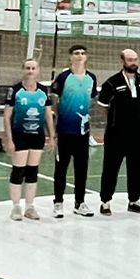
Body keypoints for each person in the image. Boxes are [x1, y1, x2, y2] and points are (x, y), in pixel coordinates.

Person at [97, 49, 140, 215]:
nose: (133, 62)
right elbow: (102, 106)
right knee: (111, 168)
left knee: (136, 168)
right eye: (130, 60)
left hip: (138, 133)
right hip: (116, 133)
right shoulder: (111, 83)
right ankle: (105, 202)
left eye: (135, 59)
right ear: (123, 61)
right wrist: (114, 121)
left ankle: (134, 201)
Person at [51, 45, 97, 218]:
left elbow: (90, 101)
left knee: (82, 168)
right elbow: (54, 101)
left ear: (86, 57)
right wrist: (54, 126)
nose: (79, 56)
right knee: (61, 168)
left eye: (83, 53)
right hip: (64, 130)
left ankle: (80, 203)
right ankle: (58, 203)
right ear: (70, 57)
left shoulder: (91, 78)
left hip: (82, 132)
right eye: (76, 53)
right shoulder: (63, 77)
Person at [4, 58, 52, 221]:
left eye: (33, 68)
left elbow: (48, 114)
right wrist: (9, 139)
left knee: (32, 171)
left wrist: (51, 136)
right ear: (23, 70)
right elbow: (7, 116)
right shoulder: (15, 90)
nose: (30, 71)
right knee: (18, 171)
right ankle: (16, 207)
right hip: (19, 135)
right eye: (27, 68)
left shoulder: (43, 91)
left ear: (38, 71)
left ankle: (30, 207)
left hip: (37, 136)